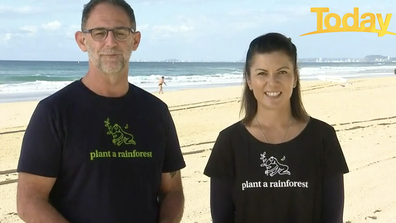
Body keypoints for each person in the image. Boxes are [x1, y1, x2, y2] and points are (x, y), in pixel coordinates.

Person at [16, 1, 186, 223]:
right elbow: (29, 201)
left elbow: (172, 191)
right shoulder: (53, 113)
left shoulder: (156, 112)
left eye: (120, 32)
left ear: (135, 40)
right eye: (99, 33)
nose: (110, 42)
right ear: (82, 40)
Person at [203, 32, 349, 223]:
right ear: (248, 80)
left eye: (282, 72)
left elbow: (333, 218)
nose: (272, 82)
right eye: (262, 73)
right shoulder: (229, 142)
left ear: (295, 78)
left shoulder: (323, 137)